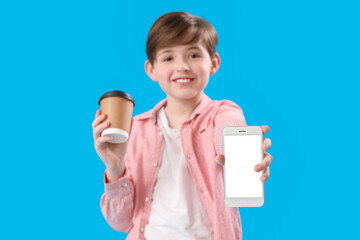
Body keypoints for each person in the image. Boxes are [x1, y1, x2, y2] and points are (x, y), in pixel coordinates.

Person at [92, 11, 273, 240]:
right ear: (151, 69)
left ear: (214, 63)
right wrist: (115, 166)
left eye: (194, 55)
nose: (183, 66)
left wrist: (242, 155)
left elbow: (230, 127)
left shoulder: (223, 112)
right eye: (169, 58)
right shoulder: (135, 129)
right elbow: (121, 223)